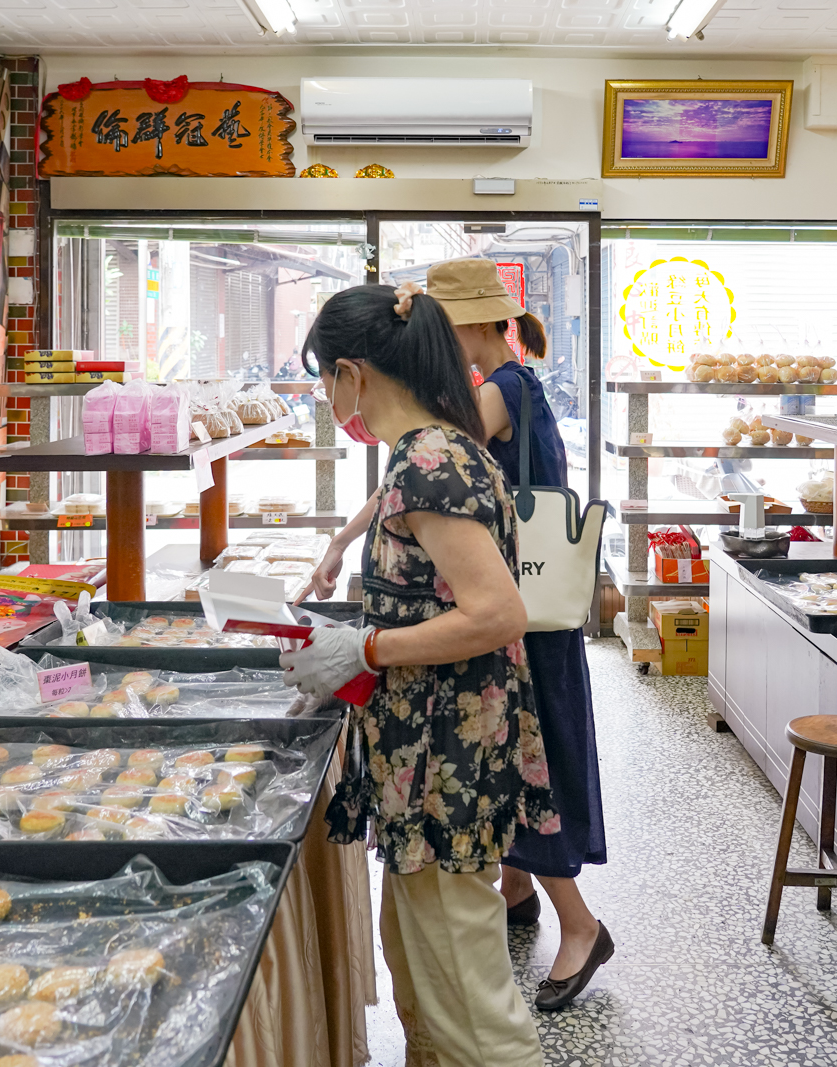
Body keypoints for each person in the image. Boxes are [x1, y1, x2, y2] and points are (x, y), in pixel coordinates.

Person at [279, 283, 559, 1067]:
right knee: (425, 977)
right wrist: (349, 651)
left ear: (350, 372)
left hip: (448, 762)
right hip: (427, 752)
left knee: (469, 1003)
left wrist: (363, 652)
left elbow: (496, 612)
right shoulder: (430, 449)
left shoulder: (431, 462)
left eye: (323, 381)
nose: (328, 398)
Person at [427, 257, 612, 1012]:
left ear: (468, 325)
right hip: (529, 601)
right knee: (520, 744)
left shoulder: (502, 389)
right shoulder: (514, 382)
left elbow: (440, 456)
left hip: (521, 610)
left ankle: (581, 925)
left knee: (526, 753)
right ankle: (517, 886)